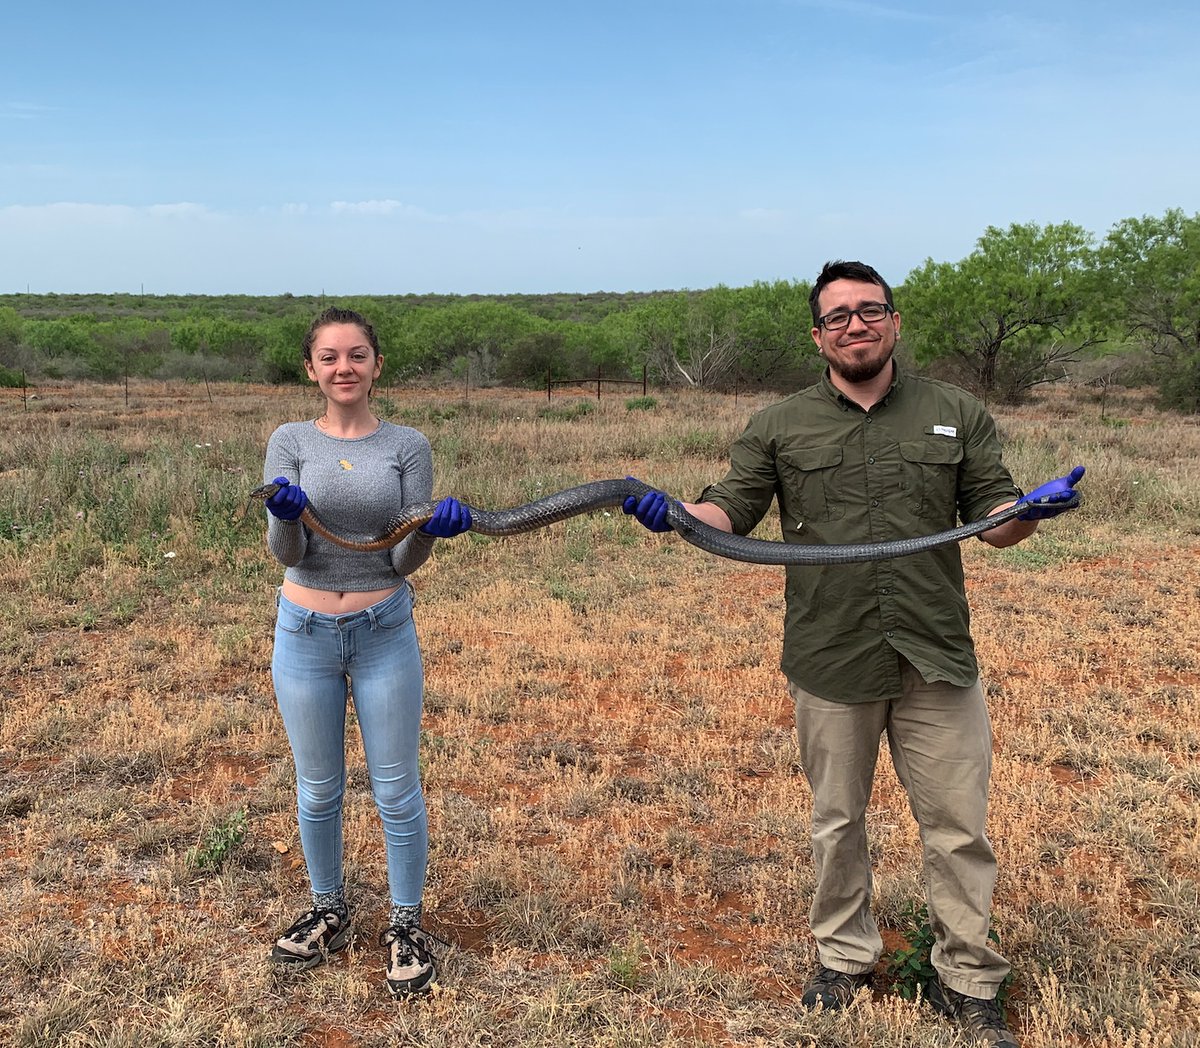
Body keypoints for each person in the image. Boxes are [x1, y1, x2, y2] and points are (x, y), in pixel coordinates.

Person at [623, 261, 1084, 1048]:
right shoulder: (778, 424)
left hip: (935, 652)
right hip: (831, 655)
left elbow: (993, 520)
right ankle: (843, 958)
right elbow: (729, 511)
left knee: (958, 827)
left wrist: (1029, 512)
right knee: (838, 822)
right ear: (818, 336)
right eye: (838, 317)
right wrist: (675, 512)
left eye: (870, 311)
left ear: (894, 322)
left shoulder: (955, 411)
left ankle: (967, 978)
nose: (856, 325)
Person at [260, 306, 471, 998]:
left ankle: (404, 923)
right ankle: (330, 910)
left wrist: (433, 529)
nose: (343, 367)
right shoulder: (289, 440)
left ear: (377, 366)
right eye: (329, 357)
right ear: (311, 368)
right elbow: (286, 552)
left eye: (357, 355)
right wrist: (286, 518)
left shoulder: (407, 445)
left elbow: (401, 560)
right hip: (305, 634)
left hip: (383, 629)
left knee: (396, 789)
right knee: (319, 788)